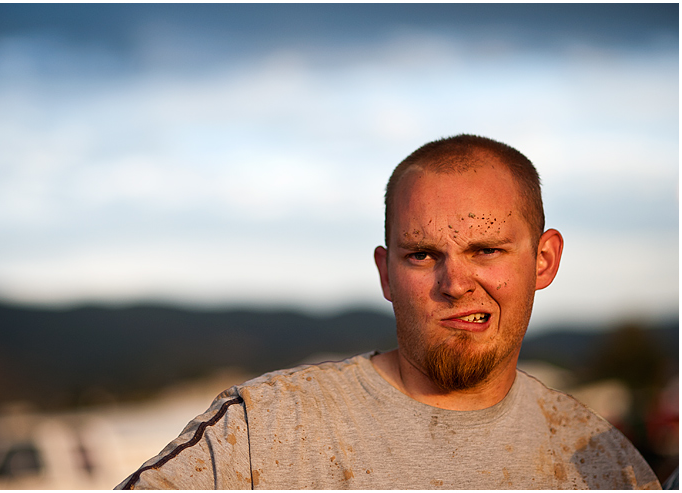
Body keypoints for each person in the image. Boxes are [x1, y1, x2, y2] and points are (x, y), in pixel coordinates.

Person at [117, 135, 661, 489]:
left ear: (544, 261)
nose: (455, 283)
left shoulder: (604, 466)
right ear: (386, 274)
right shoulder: (267, 432)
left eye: (486, 250)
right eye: (422, 255)